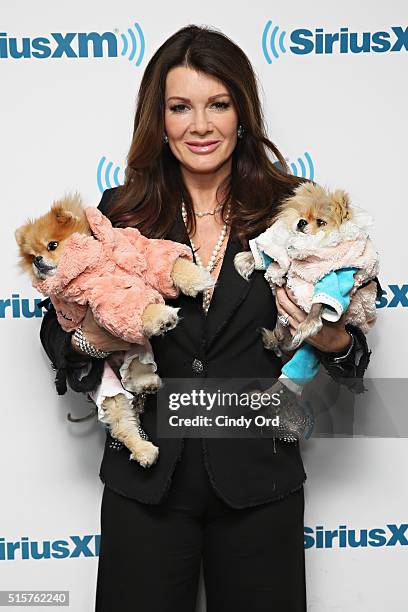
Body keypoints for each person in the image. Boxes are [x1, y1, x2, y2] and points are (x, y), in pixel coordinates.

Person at [39, 25, 375, 612]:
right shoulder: (117, 214)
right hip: (145, 483)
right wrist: (91, 339)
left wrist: (329, 334)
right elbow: (57, 334)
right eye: (181, 107)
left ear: (242, 112)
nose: (201, 125)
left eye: (218, 104)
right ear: (159, 118)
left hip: (259, 482)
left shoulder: (297, 209)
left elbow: (353, 362)